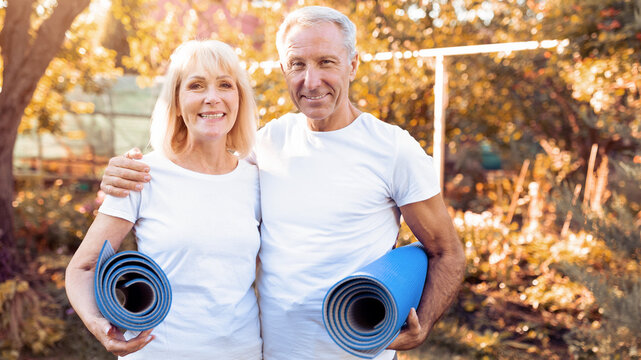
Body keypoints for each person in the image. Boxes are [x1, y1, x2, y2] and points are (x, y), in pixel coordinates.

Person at [100, 6, 466, 360]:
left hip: (358, 352)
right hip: (270, 352)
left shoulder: (393, 149)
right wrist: (126, 173)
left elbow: (446, 251)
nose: (311, 80)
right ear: (283, 69)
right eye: (298, 64)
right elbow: (198, 176)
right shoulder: (267, 143)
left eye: (326, 62)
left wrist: (426, 322)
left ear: (353, 64)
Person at [65, 39, 262, 359]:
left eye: (225, 85)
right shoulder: (141, 174)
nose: (213, 98)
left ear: (239, 97)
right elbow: (83, 268)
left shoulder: (255, 180)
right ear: (176, 100)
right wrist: (98, 325)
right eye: (197, 85)